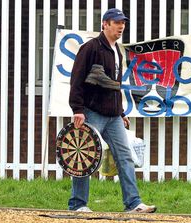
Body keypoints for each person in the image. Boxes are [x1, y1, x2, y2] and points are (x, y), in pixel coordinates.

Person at [68, 8, 157, 213]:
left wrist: (120, 112)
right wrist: (78, 109)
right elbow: (77, 79)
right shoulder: (90, 48)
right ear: (105, 24)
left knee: (125, 157)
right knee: (84, 157)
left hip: (113, 116)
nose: (121, 26)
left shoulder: (116, 50)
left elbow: (114, 84)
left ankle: (133, 204)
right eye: (117, 22)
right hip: (91, 113)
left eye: (123, 23)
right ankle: (78, 204)